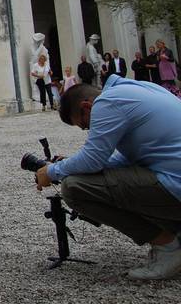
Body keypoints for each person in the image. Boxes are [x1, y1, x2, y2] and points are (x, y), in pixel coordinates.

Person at [35, 77, 181, 280]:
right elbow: (126, 158)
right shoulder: (136, 88)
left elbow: (92, 159)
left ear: (86, 107)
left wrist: (50, 172)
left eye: (85, 125)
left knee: (74, 187)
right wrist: (70, 165)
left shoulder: (107, 102)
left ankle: (168, 246)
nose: (88, 130)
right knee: (87, 177)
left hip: (176, 186)